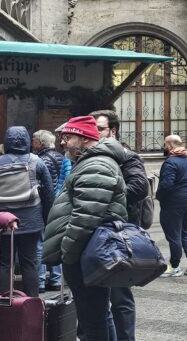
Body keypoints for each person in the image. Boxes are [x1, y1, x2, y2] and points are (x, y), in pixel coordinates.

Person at [43, 116, 128, 341]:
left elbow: (86, 217)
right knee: (97, 317)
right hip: (89, 251)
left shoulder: (96, 165)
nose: (63, 142)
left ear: (83, 138)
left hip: (86, 253)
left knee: (93, 321)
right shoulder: (92, 162)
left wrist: (68, 253)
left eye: (68, 137)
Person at [92, 109, 149, 341]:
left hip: (119, 234)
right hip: (97, 234)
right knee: (97, 296)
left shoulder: (127, 156)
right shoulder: (93, 156)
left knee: (120, 295)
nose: (94, 134)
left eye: (99, 129)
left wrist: (104, 196)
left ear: (112, 131)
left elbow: (140, 187)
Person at [0, 126, 54, 298]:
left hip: (4, 222)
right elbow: (48, 195)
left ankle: (4, 305)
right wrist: (47, 220)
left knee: (4, 263)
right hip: (31, 222)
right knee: (29, 264)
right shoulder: (36, 161)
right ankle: (32, 304)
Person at [156, 135, 187, 278]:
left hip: (174, 202)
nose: (164, 147)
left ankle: (175, 266)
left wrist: (159, 196)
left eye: (165, 144)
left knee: (174, 235)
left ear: (170, 145)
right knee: (184, 231)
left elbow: (167, 184)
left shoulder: (170, 162)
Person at [32, 129, 68, 292]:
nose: (32, 143)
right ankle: (55, 279)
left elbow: (43, 188)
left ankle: (39, 282)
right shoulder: (61, 157)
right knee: (55, 242)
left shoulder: (42, 160)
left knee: (40, 243)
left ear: (40, 142)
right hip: (59, 205)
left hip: (46, 207)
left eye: (34, 140)